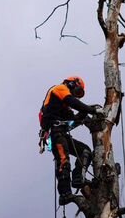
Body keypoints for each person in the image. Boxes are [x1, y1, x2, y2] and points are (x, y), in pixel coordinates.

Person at [39, 76, 103, 205]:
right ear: (72, 84)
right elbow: (73, 102)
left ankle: (78, 178)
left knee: (85, 151)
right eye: (77, 91)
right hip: (56, 133)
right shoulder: (59, 89)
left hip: (62, 133)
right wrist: (92, 110)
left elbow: (73, 118)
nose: (76, 95)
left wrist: (85, 115)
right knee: (63, 160)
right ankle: (65, 194)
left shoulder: (63, 106)